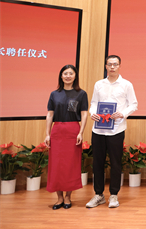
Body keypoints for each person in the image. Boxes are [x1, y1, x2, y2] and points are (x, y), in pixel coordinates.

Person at [86, 55, 138, 209]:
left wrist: (123, 113)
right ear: (106, 66)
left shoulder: (126, 84)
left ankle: (114, 195)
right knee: (97, 163)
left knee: (115, 163)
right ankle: (98, 195)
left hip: (116, 129)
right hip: (98, 129)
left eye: (115, 64)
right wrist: (92, 113)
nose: (112, 67)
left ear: (120, 66)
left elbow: (133, 104)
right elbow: (94, 103)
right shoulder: (99, 84)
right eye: (110, 64)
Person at [45, 65, 89, 209]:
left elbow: (84, 114)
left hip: (73, 130)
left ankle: (68, 197)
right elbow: (50, 114)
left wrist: (81, 132)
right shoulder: (54, 94)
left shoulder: (81, 94)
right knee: (56, 165)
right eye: (65, 73)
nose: (68, 76)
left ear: (75, 76)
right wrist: (47, 134)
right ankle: (59, 198)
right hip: (57, 130)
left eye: (71, 73)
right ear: (61, 76)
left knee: (71, 164)